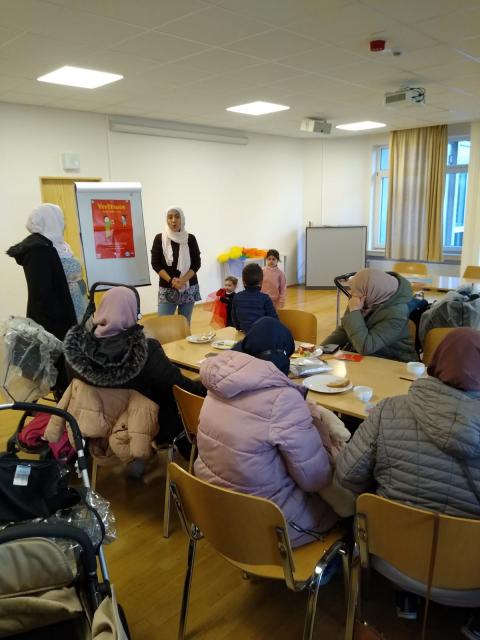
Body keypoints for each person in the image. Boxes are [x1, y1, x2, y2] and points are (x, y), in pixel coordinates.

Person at [334, 328, 480, 634]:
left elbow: (346, 475)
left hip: (391, 559)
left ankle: (406, 594)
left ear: (435, 362)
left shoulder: (388, 409)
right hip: (470, 579)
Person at [194, 317, 337, 547]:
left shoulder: (218, 386)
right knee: (349, 503)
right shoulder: (283, 400)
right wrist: (318, 426)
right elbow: (316, 479)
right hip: (267, 525)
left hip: (214, 510)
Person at [62, 286, 206, 451]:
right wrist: (207, 389)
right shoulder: (146, 350)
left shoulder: (76, 352)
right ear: (133, 312)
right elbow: (177, 386)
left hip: (94, 429)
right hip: (144, 428)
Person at [7, 203, 87, 340]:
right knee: (67, 347)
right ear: (50, 220)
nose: (64, 224)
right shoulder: (38, 249)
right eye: (60, 218)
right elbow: (42, 293)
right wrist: (59, 321)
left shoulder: (59, 245)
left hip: (76, 303)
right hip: (59, 314)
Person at [322, 268, 418, 362]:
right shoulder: (366, 297)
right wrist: (321, 349)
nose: (353, 294)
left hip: (393, 362)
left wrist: (355, 311)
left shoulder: (397, 314)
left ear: (372, 290)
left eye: (358, 291)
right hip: (367, 358)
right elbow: (344, 330)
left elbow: (365, 347)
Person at [150, 207, 201, 325]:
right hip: (167, 287)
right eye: (170, 217)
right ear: (166, 219)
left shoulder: (190, 238)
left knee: (185, 323)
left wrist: (182, 280)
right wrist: (172, 281)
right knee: (164, 324)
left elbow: (196, 263)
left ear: (182, 219)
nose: (173, 220)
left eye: (177, 217)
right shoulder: (159, 238)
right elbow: (155, 264)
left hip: (188, 286)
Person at [231, 263, 278, 333]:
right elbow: (274, 320)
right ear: (261, 282)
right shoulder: (265, 298)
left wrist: (238, 328)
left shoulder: (237, 297)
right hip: (261, 334)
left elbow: (234, 317)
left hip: (244, 333)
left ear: (243, 282)